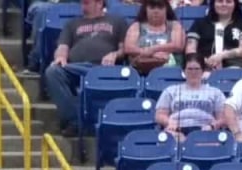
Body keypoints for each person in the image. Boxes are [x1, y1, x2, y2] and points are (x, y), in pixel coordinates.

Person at [43, 0, 128, 136]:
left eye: (87, 3)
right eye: (82, 3)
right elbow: (62, 46)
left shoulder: (117, 21)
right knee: (52, 71)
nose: (83, 5)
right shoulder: (72, 24)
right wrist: (60, 57)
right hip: (75, 67)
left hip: (103, 69)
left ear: (99, 3)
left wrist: (115, 54)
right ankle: (74, 120)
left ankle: (78, 123)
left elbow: (125, 49)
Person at [154, 54, 228, 139]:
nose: (193, 72)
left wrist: (213, 126)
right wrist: (169, 122)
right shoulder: (171, 91)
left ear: (203, 71)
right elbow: (159, 115)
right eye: (190, 69)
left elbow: (223, 118)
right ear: (184, 71)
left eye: (197, 69)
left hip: (205, 129)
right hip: (177, 128)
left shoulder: (215, 92)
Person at [185, 0, 242, 72]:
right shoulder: (199, 24)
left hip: (233, 67)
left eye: (228, 2)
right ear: (213, 4)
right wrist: (205, 61)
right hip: (203, 67)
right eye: (220, 1)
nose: (224, 4)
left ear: (235, 5)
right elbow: (190, 50)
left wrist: (221, 56)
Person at [123, 0, 186, 75]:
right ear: (145, 9)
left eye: (160, 8)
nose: (156, 11)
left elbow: (178, 45)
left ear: (166, 9)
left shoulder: (175, 25)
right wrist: (152, 54)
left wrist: (153, 49)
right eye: (152, 8)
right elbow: (128, 48)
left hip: (169, 71)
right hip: (139, 70)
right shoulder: (136, 26)